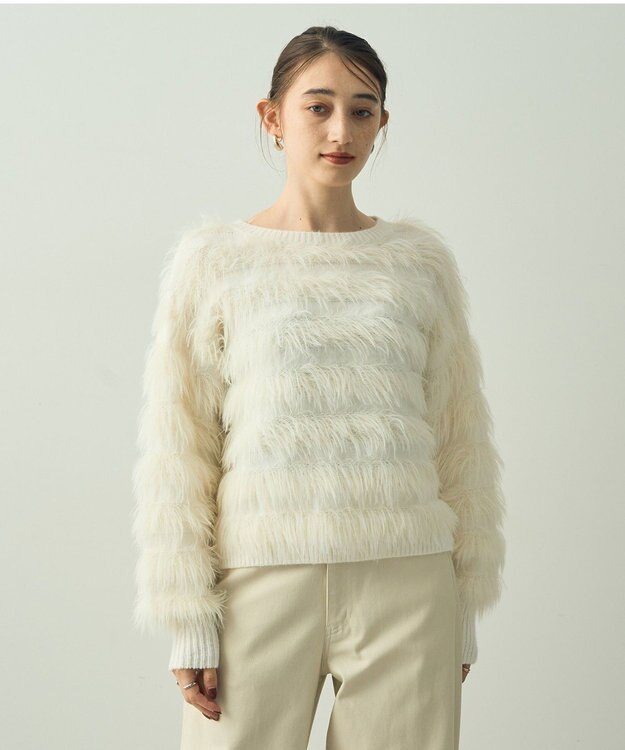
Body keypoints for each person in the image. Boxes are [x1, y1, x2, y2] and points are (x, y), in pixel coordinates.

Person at [131, 25, 506, 750]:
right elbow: (180, 448)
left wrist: (462, 605)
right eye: (318, 107)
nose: (341, 131)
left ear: (382, 123)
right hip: (258, 584)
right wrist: (189, 618)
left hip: (407, 580)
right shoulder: (215, 261)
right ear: (272, 117)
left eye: (362, 111)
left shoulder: (418, 262)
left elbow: (458, 437)